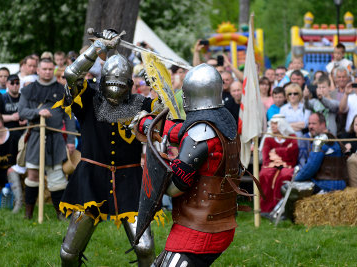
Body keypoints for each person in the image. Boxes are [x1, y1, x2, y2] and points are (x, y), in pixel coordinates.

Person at [55, 30, 156, 266]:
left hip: (128, 180)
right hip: (91, 179)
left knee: (145, 247)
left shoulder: (141, 103)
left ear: (130, 85)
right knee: (69, 253)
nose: (115, 91)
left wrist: (153, 71)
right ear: (102, 83)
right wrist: (97, 47)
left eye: (121, 86)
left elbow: (168, 108)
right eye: (111, 85)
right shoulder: (88, 99)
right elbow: (71, 73)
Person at [140, 63, 247, 266]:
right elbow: (179, 129)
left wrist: (162, 160)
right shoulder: (224, 123)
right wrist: (147, 124)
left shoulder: (200, 134)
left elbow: (174, 188)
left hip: (199, 229)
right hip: (217, 221)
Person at [18, 58, 76, 221]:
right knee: (33, 175)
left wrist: (71, 140)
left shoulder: (62, 90)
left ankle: (60, 213)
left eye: (50, 69)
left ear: (54, 70)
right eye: (44, 69)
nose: (47, 72)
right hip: (36, 136)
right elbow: (21, 111)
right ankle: (28, 213)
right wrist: (38, 113)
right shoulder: (29, 91)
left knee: (57, 175)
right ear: (38, 70)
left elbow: (69, 117)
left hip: (56, 138)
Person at [294, 112, 347, 193]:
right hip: (340, 184)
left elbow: (311, 167)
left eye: (314, 124)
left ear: (323, 124)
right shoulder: (333, 138)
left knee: (289, 188)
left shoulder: (320, 140)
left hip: (324, 185)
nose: (310, 126)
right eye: (309, 124)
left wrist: (295, 179)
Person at [259, 114, 298, 215]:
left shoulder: (292, 137)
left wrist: (275, 151)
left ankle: (282, 209)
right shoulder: (268, 139)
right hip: (271, 164)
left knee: (285, 176)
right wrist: (285, 150)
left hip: (288, 164)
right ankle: (266, 208)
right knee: (265, 175)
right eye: (271, 124)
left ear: (282, 125)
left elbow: (293, 153)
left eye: (275, 124)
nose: (272, 126)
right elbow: (267, 156)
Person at [0, 112, 22, 213]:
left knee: (11, 171)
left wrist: (17, 167)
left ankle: (18, 203)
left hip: (14, 170)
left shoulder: (15, 135)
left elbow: (22, 156)